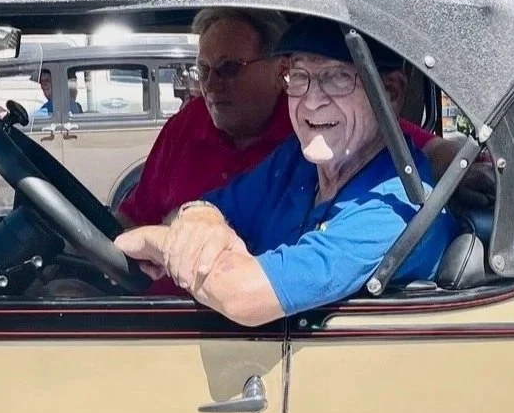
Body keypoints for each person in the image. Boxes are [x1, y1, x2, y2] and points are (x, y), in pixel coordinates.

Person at [115, 19, 459, 325]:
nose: (311, 101)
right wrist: (200, 218)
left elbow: (242, 296)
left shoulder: (395, 207)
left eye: (337, 78)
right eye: (298, 77)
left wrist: (153, 240)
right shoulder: (296, 162)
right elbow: (213, 204)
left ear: (392, 91)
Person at [119, 8, 478, 231]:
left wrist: (468, 168)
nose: (210, 84)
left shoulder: (313, 133)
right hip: (159, 311)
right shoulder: (184, 127)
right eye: (203, 70)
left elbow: (408, 143)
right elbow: (135, 217)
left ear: (278, 70)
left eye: (229, 68)